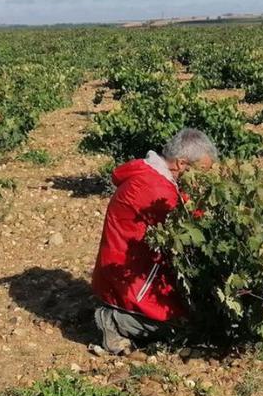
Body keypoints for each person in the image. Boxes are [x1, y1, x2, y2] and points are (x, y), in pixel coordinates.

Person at [90, 128, 218, 355]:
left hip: (138, 268)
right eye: (201, 171)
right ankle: (113, 321)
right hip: (127, 279)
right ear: (180, 164)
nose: (204, 178)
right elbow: (187, 224)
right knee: (180, 326)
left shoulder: (157, 178)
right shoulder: (153, 187)